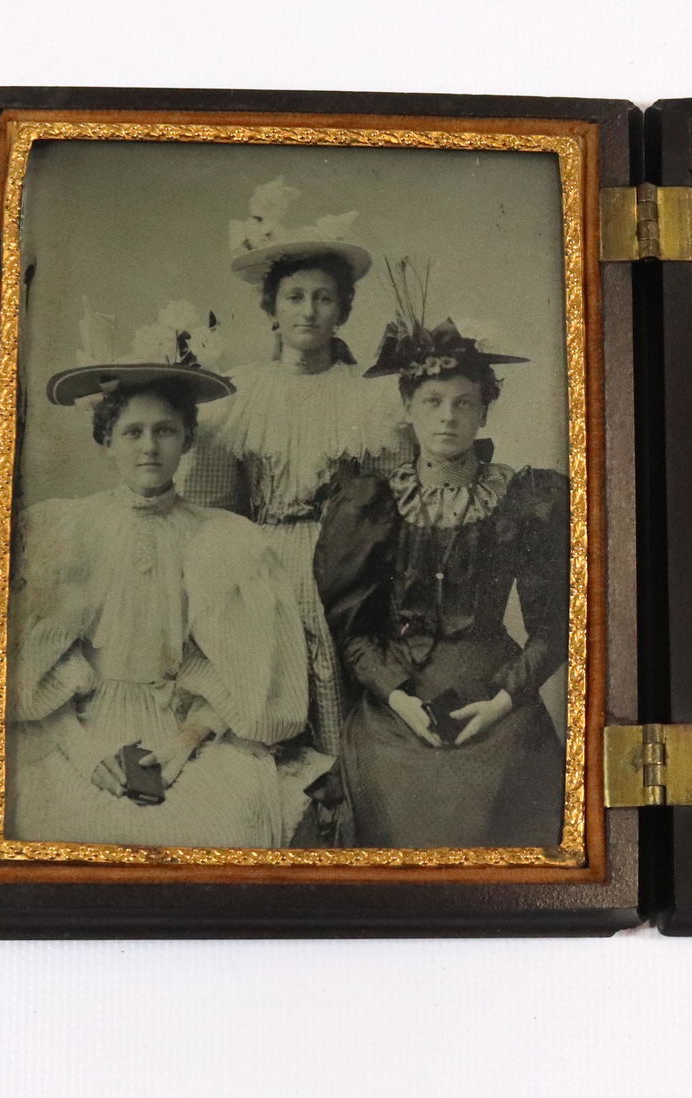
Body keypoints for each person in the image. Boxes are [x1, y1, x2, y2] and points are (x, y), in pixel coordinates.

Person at [5, 352, 333, 848]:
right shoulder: (69, 528)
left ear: (187, 439)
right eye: (132, 432)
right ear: (107, 440)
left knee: (226, 823)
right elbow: (29, 675)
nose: (149, 447)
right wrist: (86, 755)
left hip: (185, 728)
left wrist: (184, 744)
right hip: (80, 729)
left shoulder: (223, 538)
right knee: (59, 823)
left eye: (165, 431)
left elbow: (238, 676)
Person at [182, 180, 412, 795]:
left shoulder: (370, 398)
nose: (309, 311)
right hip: (259, 561)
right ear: (273, 309)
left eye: (324, 298)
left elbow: (397, 503)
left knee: (343, 699)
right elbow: (209, 507)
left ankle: (342, 802)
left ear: (343, 310)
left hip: (344, 564)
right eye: (295, 297)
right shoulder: (239, 394)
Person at [313, 302, 567, 849]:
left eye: (463, 403)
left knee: (505, 802)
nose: (447, 417)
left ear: (484, 413)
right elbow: (354, 633)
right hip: (396, 704)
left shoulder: (524, 497)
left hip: (495, 696)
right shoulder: (373, 502)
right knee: (389, 805)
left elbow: (556, 626)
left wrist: (504, 700)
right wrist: (397, 698)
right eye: (432, 402)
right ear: (408, 408)